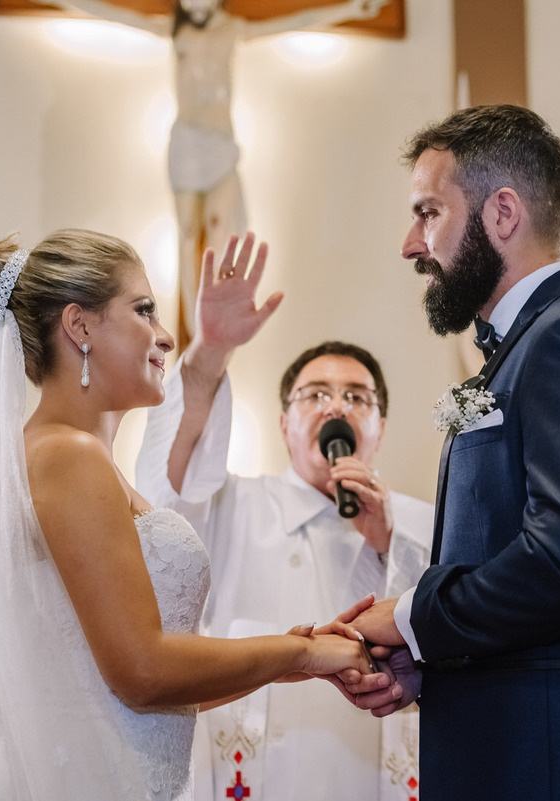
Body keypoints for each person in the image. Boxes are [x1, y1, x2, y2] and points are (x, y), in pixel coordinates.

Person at [0, 229, 383, 800]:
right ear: (81, 326)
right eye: (144, 310)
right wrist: (303, 652)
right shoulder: (68, 455)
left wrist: (283, 659)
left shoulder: (76, 457)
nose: (164, 336)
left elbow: (134, 685)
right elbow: (141, 674)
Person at [350, 105, 560, 800]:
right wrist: (436, 661)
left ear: (502, 214)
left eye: (429, 212)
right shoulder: (523, 351)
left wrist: (415, 617)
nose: (411, 243)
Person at [134, 233, 432, 800]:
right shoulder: (232, 505)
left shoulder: (425, 522)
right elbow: (168, 481)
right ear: (284, 424)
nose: (336, 406)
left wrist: (387, 541)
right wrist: (211, 350)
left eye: (357, 397)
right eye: (315, 393)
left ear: (380, 427)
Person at [58, 0, 387, 346]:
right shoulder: (175, 27)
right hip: (186, 142)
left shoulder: (232, 29)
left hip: (219, 141)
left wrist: (350, 9)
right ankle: (187, 323)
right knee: (186, 235)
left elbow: (297, 20)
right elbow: (117, 15)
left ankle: (206, 323)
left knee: (220, 232)